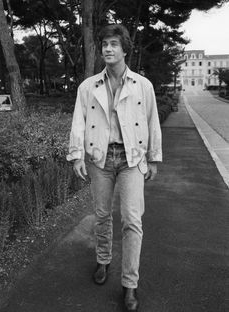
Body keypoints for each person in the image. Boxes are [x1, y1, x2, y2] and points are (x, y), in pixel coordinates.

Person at [67, 24, 162, 312]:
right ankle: (103, 259)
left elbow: (151, 121)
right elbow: (79, 121)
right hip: (100, 157)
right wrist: (76, 155)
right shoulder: (89, 86)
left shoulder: (142, 85)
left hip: (131, 158)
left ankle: (130, 284)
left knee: (133, 220)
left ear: (124, 49)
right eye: (104, 44)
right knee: (102, 215)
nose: (108, 49)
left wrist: (154, 157)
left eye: (113, 44)